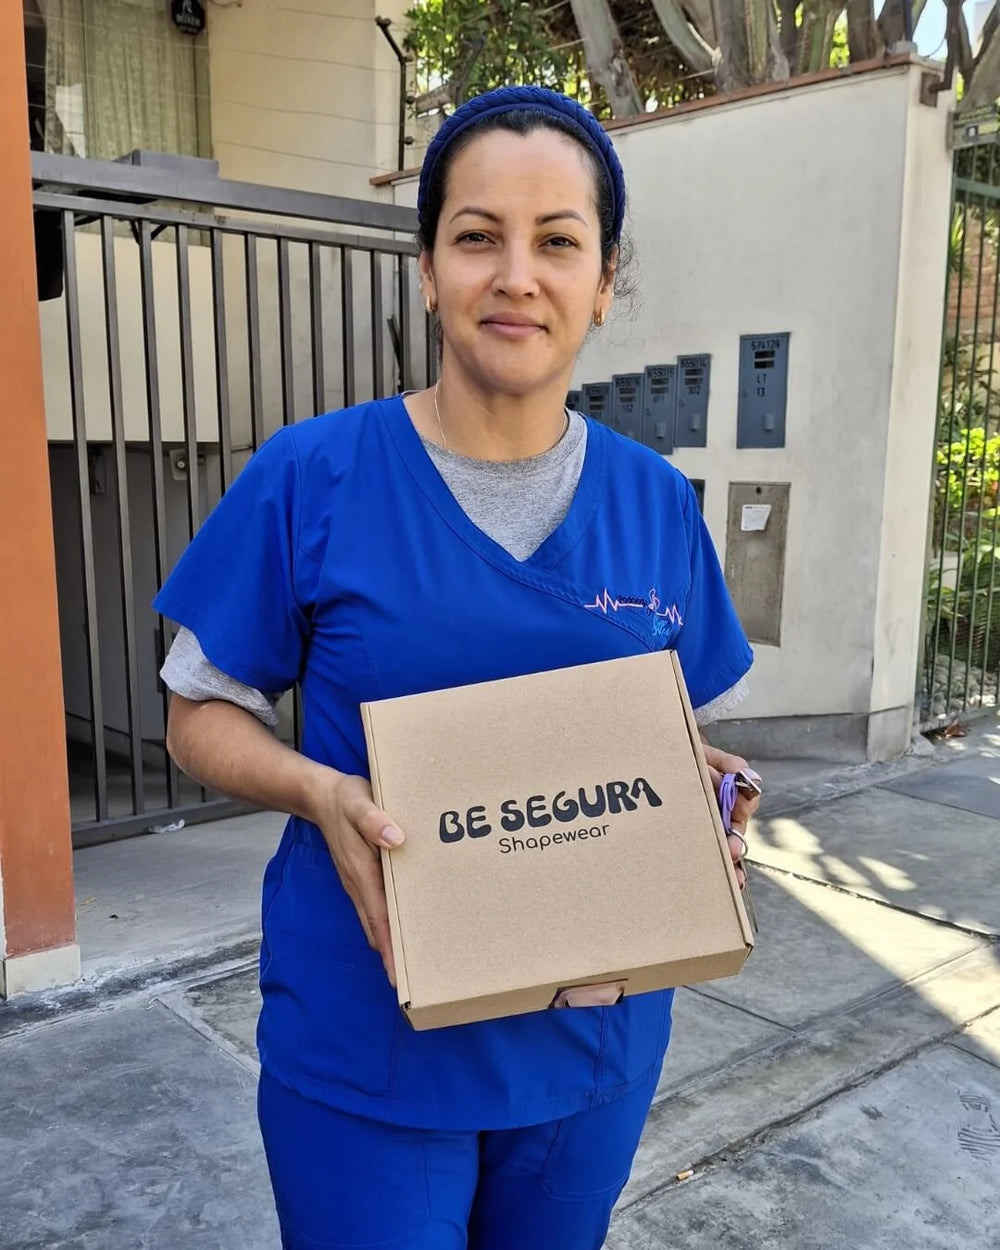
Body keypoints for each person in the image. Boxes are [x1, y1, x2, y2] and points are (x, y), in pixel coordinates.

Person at [155, 85, 760, 1250]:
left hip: (592, 1047)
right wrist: (318, 789)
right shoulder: (314, 475)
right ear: (429, 271)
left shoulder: (655, 501)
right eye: (478, 237)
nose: (515, 276)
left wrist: (706, 800)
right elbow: (197, 712)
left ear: (604, 280)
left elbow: (661, 733)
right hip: (369, 1044)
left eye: (557, 243)